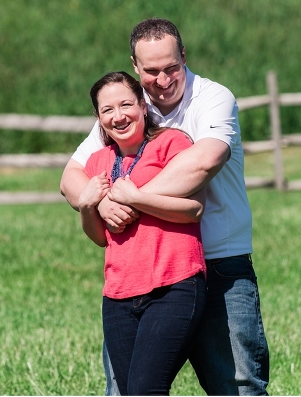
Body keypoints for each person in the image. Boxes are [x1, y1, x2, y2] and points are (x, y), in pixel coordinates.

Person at [61, 18, 270, 395]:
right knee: (128, 390)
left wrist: (131, 201)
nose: (163, 79)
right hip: (144, 270)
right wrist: (101, 203)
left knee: (237, 386)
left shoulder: (212, 99)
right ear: (136, 66)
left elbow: (203, 163)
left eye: (171, 67)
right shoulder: (129, 107)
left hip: (220, 263)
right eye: (151, 71)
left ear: (184, 56)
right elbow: (72, 177)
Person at [79, 70, 208, 396]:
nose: (118, 116)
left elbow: (194, 209)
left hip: (174, 286)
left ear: (143, 106)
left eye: (126, 105)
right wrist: (86, 206)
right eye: (107, 110)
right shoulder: (97, 162)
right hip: (118, 296)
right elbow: (100, 237)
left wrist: (137, 198)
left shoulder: (171, 143)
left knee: (145, 388)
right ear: (98, 118)